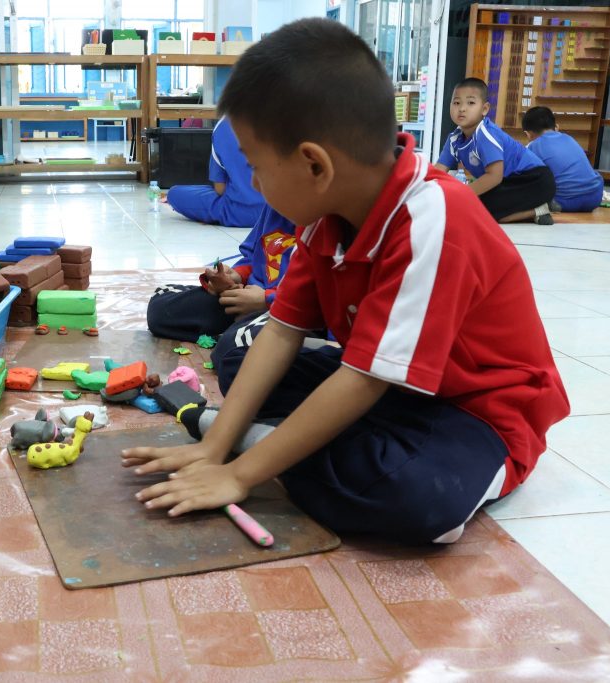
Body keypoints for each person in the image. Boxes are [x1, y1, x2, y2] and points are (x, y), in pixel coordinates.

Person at [121, 19, 570, 544]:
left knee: (419, 498)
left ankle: (271, 445)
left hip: (473, 409)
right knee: (236, 352)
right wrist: (214, 445)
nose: (256, 186)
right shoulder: (324, 216)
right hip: (388, 386)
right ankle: (281, 443)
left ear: (315, 165)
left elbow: (363, 380)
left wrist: (239, 474)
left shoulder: (433, 218)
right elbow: (283, 331)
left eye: (257, 168)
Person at [146, 204, 295, 342]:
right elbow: (255, 257)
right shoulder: (274, 205)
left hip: (285, 315)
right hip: (246, 300)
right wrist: (236, 276)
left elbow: (306, 300)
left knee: (234, 348)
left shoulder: (309, 231)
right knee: (160, 308)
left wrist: (267, 300)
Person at [434, 78, 556, 225]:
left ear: (484, 109)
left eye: (470, 103)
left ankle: (539, 208)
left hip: (535, 181)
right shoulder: (454, 139)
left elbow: (494, 176)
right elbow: (437, 173)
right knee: (470, 207)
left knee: (475, 208)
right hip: (508, 185)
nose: (462, 109)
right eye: (456, 103)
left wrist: (462, 194)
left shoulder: (485, 134)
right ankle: (535, 209)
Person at [166, 116, 267, 227]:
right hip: (277, 212)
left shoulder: (222, 126)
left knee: (174, 193)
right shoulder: (278, 117)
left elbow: (220, 189)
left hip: (238, 213)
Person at [522, 105, 604, 213]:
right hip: (595, 198)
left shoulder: (533, 146)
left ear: (528, 134)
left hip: (563, 202)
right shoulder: (569, 138)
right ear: (556, 127)